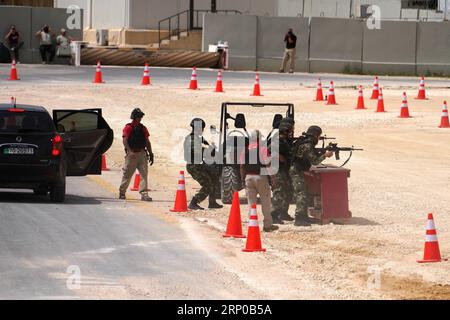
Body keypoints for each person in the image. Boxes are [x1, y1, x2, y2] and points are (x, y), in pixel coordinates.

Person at [290, 126, 334, 226]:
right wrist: (325, 155)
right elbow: (314, 161)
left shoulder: (304, 141)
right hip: (296, 170)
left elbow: (310, 155)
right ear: (315, 135)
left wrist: (323, 151)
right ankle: (299, 219)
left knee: (304, 192)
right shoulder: (307, 145)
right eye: (318, 136)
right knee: (301, 194)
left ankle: (304, 216)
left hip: (298, 170)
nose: (318, 139)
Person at [240, 130, 278, 232]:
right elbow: (268, 164)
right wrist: (273, 177)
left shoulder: (245, 150)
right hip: (261, 177)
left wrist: (243, 180)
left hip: (248, 178)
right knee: (266, 202)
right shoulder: (262, 149)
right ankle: (267, 225)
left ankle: (252, 226)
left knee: (251, 204)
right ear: (258, 138)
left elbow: (242, 166)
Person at [184, 118, 223, 210]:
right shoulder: (192, 139)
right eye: (201, 128)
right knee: (207, 185)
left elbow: (205, 145)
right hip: (194, 166)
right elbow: (196, 151)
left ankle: (212, 202)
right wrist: (209, 151)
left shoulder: (197, 137)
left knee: (213, 179)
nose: (202, 130)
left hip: (198, 164)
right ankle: (194, 202)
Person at [119, 108, 154, 201]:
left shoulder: (143, 128)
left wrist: (151, 153)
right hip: (132, 154)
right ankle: (122, 192)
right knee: (127, 174)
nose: (140, 118)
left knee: (144, 174)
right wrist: (129, 151)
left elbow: (147, 141)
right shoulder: (128, 127)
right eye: (138, 116)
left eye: (141, 116)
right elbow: (125, 140)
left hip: (142, 154)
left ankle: (144, 194)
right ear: (134, 117)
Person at [270, 118, 295, 225]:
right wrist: (280, 157)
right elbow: (270, 150)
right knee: (279, 193)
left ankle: (283, 213)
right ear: (285, 130)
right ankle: (274, 215)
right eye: (290, 130)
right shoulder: (276, 140)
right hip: (278, 170)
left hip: (285, 170)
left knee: (288, 192)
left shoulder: (285, 141)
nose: (292, 132)